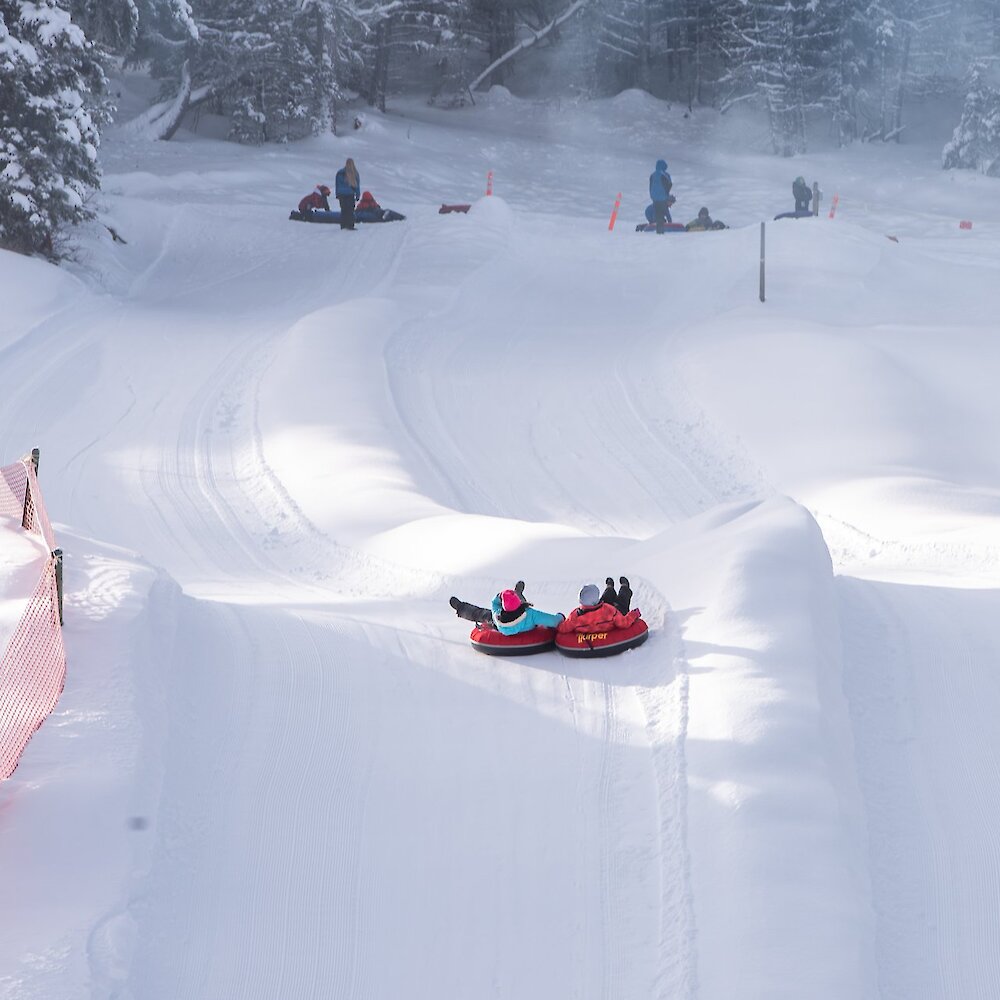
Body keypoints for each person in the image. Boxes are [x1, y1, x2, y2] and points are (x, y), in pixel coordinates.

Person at [450, 581, 566, 635]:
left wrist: (500, 596)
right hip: (525, 626)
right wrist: (560, 617)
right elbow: (553, 621)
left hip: (499, 627)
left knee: (480, 613)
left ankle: (460, 607)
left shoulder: (497, 614)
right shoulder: (530, 614)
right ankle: (517, 594)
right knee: (521, 602)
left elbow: (494, 603)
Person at [557, 583, 641, 636]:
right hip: (606, 614)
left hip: (597, 615)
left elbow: (563, 628)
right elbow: (624, 623)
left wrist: (560, 618)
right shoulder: (609, 610)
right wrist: (634, 614)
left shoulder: (575, 616)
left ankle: (610, 587)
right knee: (622, 601)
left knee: (607, 597)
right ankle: (624, 587)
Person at [335, 158, 361, 230]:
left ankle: (343, 225)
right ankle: (350, 225)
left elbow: (337, 184)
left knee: (343, 210)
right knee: (350, 210)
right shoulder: (355, 173)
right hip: (350, 194)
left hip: (341, 194)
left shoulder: (340, 173)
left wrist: (337, 194)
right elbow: (357, 186)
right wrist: (358, 195)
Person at [649, 159, 673, 233]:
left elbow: (650, 186)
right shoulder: (665, 174)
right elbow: (669, 184)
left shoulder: (652, 175)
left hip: (655, 199)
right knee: (665, 212)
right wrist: (667, 194)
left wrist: (652, 196)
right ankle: (668, 226)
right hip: (663, 198)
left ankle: (657, 230)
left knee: (658, 214)